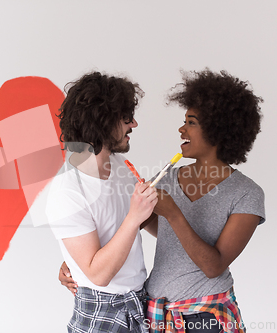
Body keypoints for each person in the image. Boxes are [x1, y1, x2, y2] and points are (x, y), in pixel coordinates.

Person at [60, 69, 265, 333]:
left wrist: (174, 214)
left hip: (206, 317)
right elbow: (135, 224)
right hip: (154, 313)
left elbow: (213, 266)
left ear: (217, 129)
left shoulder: (246, 193)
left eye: (191, 122)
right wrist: (75, 259)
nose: (182, 129)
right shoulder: (166, 177)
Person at [46, 71, 158, 333]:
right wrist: (134, 217)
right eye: (126, 118)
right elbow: (98, 274)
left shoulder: (120, 166)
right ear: (103, 122)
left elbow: (142, 226)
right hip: (100, 314)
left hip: (139, 303)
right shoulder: (68, 189)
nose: (134, 125)